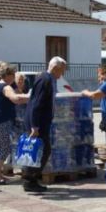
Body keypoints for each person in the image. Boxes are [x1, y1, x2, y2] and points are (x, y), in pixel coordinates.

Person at [23, 57, 67, 192]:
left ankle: (31, 179)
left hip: (41, 122)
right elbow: (37, 103)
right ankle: (30, 179)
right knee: (42, 151)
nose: (62, 74)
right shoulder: (45, 79)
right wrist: (34, 126)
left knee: (40, 150)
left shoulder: (48, 79)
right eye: (62, 71)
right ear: (55, 68)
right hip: (38, 123)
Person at [0, 65, 30, 185]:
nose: (14, 78)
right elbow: (15, 98)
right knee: (4, 148)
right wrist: (32, 97)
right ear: (8, 76)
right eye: (13, 75)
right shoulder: (5, 87)